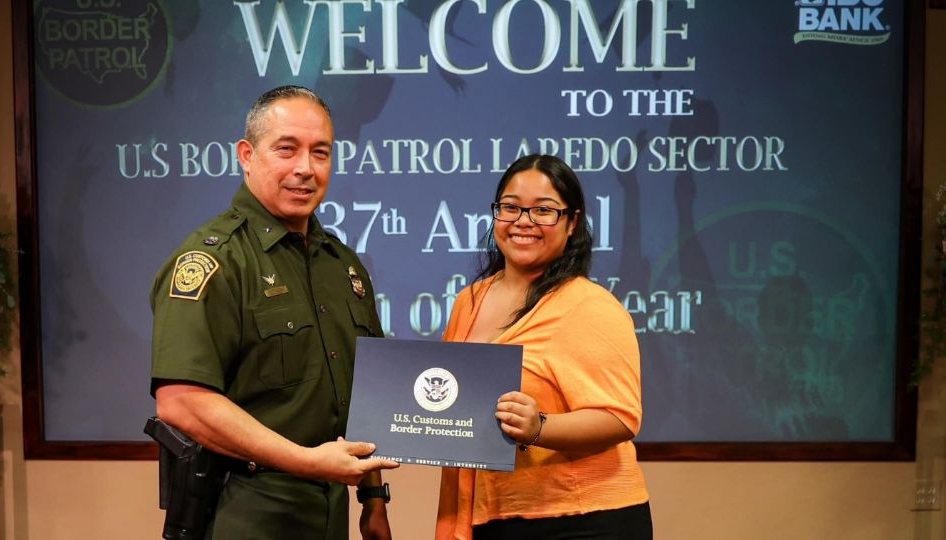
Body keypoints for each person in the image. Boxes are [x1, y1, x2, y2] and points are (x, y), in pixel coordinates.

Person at [150, 85, 399, 540]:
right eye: (287, 149)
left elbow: (368, 395)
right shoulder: (215, 261)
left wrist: (373, 498)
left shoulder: (342, 265)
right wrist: (306, 461)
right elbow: (181, 402)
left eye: (320, 152)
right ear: (247, 155)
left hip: (331, 511)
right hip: (245, 509)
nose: (305, 168)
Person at [435, 154, 652, 539]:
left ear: (572, 223)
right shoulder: (468, 301)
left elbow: (621, 417)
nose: (524, 221)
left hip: (583, 519)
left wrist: (539, 427)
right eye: (511, 207)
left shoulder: (590, 306)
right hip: (495, 515)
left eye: (544, 211)